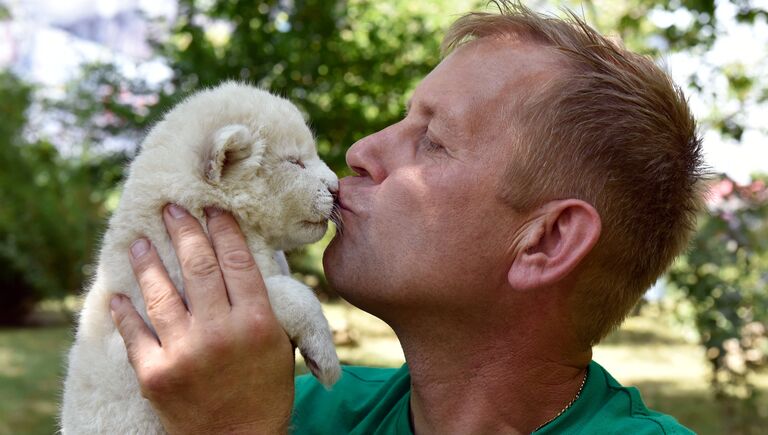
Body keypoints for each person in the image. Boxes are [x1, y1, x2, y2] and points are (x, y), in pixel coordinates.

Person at [109, 1, 703, 433]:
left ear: (544, 242)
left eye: (432, 141)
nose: (361, 151)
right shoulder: (299, 401)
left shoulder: (244, 411)